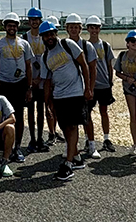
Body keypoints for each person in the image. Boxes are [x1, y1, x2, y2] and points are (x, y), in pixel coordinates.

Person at [39, 21, 92, 181]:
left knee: (73, 126)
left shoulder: (67, 44)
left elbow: (84, 64)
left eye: (51, 33)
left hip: (75, 93)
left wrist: (88, 88)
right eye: (46, 35)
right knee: (65, 127)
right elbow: (47, 81)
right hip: (59, 96)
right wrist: (47, 102)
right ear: (42, 37)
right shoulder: (45, 57)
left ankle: (68, 164)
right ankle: (76, 157)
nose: (49, 37)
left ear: (55, 33)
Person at [0, 12, 33, 163]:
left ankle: (17, 148)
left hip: (20, 84)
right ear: (5, 27)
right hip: (4, 84)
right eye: (9, 25)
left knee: (20, 117)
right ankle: (5, 147)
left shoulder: (24, 44)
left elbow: (29, 67)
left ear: (17, 27)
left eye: (14, 25)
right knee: (4, 117)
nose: (12, 28)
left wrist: (29, 87)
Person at [64, 13, 100, 158]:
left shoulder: (87, 46)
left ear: (80, 29)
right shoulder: (63, 45)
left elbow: (93, 68)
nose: (74, 30)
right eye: (71, 27)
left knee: (87, 117)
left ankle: (91, 145)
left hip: (83, 88)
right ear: (67, 28)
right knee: (69, 120)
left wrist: (90, 88)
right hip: (68, 89)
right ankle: (71, 147)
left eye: (76, 27)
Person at [85, 15, 117, 154]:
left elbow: (109, 64)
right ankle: (88, 139)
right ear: (87, 29)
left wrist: (110, 80)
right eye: (92, 27)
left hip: (104, 83)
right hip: (90, 85)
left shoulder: (105, 45)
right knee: (87, 113)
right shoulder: (84, 46)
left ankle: (106, 138)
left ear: (99, 29)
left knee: (104, 111)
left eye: (96, 27)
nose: (94, 30)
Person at [21, 7, 51, 153]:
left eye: (36, 19)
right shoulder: (24, 38)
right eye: (32, 19)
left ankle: (40, 138)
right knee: (31, 111)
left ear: (40, 21)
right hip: (30, 81)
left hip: (43, 79)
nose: (34, 22)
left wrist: (42, 78)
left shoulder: (44, 36)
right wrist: (30, 80)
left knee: (41, 110)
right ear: (29, 21)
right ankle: (32, 139)